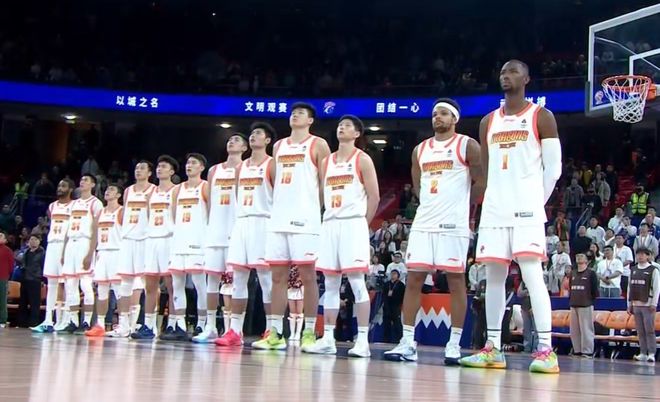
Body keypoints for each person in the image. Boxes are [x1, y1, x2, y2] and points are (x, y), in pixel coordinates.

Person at [461, 60, 562, 373]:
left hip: (526, 209)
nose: (506, 75)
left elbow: (553, 169)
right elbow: (486, 171)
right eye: (503, 71)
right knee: (493, 277)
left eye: (514, 71)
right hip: (495, 209)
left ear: (527, 78)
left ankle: (546, 349)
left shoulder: (541, 116)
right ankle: (493, 347)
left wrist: (534, 202)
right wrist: (486, 201)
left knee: (532, 275)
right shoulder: (488, 121)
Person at [385, 97, 484, 364]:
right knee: (413, 280)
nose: (437, 117)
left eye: (443, 113)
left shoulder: (467, 145)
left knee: (455, 281)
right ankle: (407, 342)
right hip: (424, 222)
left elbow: (482, 181)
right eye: (434, 114)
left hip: (453, 224)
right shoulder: (420, 150)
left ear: (454, 119)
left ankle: (454, 343)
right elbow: (418, 186)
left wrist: (461, 205)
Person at [254, 102, 331, 350]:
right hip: (278, 218)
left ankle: (309, 331)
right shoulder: (278, 146)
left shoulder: (318, 144)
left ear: (310, 120)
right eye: (293, 112)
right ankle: (275, 332)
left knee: (308, 277)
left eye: (301, 113)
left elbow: (325, 182)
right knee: (277, 277)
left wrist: (315, 210)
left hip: (305, 219)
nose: (295, 115)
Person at [302, 114, 380, 358]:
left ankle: (363, 341)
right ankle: (327, 338)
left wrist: (363, 224)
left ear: (357, 133)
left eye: (347, 126)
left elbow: (374, 196)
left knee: (356, 282)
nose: (341, 128)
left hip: (353, 223)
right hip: (330, 223)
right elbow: (322, 195)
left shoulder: (362, 159)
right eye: (339, 125)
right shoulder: (326, 162)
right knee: (331, 283)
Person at [216, 123, 276, 347]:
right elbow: (237, 197)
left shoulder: (272, 164)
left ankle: (272, 329)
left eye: (258, 133)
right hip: (242, 222)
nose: (253, 136)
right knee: (238, 279)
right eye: (251, 133)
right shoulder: (240, 168)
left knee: (266, 280)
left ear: (267, 140)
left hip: (263, 221)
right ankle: (235, 330)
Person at [193, 134, 247, 343]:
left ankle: (235, 328)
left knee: (236, 282)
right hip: (216, 230)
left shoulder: (246, 168)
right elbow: (209, 203)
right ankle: (211, 327)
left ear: (244, 147)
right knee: (212, 281)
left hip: (236, 229)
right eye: (229, 140)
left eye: (236, 140)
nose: (231, 142)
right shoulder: (214, 170)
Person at [163, 153, 209, 342]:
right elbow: (173, 216)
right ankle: (180, 324)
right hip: (179, 241)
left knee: (199, 284)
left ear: (202, 167)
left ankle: (202, 323)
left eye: (194, 163)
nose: (189, 165)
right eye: (188, 162)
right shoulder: (177, 190)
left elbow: (211, 214)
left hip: (198, 241)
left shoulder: (205, 187)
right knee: (177, 284)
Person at [132, 155, 178, 340]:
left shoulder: (176, 191)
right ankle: (149, 325)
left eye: (164, 166)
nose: (160, 169)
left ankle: (173, 325)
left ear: (172, 171)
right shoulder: (150, 192)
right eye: (158, 166)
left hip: (169, 239)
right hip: (152, 239)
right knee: (150, 285)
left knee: (172, 285)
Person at [110, 161, 155, 338]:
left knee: (146, 283)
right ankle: (123, 325)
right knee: (125, 283)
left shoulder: (154, 190)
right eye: (136, 168)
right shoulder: (128, 191)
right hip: (128, 238)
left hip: (145, 238)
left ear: (150, 173)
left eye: (142, 168)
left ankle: (145, 324)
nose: (138, 170)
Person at [59, 174, 103, 334]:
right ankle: (73, 321)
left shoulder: (96, 203)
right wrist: (64, 251)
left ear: (93, 185)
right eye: (82, 179)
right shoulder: (73, 204)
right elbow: (67, 229)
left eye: (86, 180)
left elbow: (96, 230)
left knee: (85, 284)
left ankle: (86, 322)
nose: (82, 182)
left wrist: (91, 252)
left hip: (85, 242)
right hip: (71, 243)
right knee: (70, 284)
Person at [31, 179, 74, 333]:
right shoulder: (52, 206)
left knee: (65, 284)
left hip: (65, 245)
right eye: (59, 185)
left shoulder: (74, 206)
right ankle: (48, 320)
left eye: (63, 186)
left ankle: (64, 319)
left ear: (70, 189)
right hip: (52, 245)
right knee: (52, 283)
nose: (60, 188)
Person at [84, 184, 123, 337]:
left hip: (117, 252)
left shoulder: (122, 211)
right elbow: (94, 235)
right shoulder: (100, 212)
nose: (108, 191)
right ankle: (100, 324)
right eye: (107, 189)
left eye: (112, 190)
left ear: (119, 195)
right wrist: (90, 254)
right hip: (102, 252)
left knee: (119, 291)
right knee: (101, 290)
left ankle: (123, 324)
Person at [628, 247, 659, 363]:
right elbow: (629, 287)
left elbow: (657, 288)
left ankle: (651, 353)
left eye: (643, 254)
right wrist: (629, 303)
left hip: (648, 304)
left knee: (649, 330)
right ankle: (643, 352)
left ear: (648, 256)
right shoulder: (633, 269)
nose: (640, 256)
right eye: (638, 254)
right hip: (636, 303)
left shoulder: (653, 270)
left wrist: (654, 303)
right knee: (640, 330)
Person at [568, 253, 599, 358]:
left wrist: (590, 300)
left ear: (587, 261)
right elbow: (570, 288)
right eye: (577, 256)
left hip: (586, 304)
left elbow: (595, 290)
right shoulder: (572, 273)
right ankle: (577, 350)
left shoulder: (591, 273)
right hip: (574, 304)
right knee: (574, 330)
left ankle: (587, 351)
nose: (579, 258)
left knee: (586, 329)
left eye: (582, 256)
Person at [18, 235, 45, 327]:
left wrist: (42, 279)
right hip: (25, 279)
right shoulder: (26, 252)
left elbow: (43, 266)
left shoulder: (42, 253)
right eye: (31, 239)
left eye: (35, 239)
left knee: (34, 303)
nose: (33, 241)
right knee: (23, 302)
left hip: (35, 279)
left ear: (39, 241)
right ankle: (22, 322)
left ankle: (34, 322)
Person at [382, 269, 405, 344]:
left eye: (395, 274)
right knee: (386, 323)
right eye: (392, 273)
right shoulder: (387, 284)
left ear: (398, 276)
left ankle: (399, 339)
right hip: (387, 305)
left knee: (397, 324)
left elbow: (403, 296)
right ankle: (386, 340)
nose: (393, 275)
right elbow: (384, 295)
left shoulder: (401, 285)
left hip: (396, 306)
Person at [517, 282, 538, 353]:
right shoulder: (523, 282)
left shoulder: (538, 281)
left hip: (535, 307)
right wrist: (528, 291)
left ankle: (536, 348)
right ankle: (527, 348)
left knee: (536, 329)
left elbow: (538, 292)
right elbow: (519, 293)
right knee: (526, 329)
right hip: (525, 307)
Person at [287, 267, 304, 342]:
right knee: (292, 312)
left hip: (301, 287)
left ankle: (298, 333)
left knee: (299, 312)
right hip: (290, 287)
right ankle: (292, 333)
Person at [0, 232, 14, 328]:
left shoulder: (8, 250)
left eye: (1, 236)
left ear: (5, 240)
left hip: (2, 278)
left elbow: (11, 265)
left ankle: (2, 320)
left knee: (2, 299)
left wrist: (7, 276)